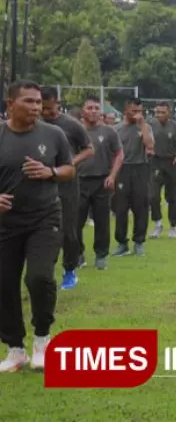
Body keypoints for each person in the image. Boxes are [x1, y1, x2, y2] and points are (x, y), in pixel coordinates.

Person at [0, 80, 75, 372]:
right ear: (10, 104)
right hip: (6, 223)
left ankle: (43, 341)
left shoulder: (54, 134)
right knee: (4, 284)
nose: (36, 107)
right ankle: (15, 349)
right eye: (28, 101)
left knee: (39, 278)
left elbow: (70, 169)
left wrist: (50, 171)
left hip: (45, 218)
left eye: (38, 102)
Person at [40, 87, 94, 290]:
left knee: (69, 230)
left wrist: (72, 161)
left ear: (58, 104)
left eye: (49, 109)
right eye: (42, 109)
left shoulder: (71, 125)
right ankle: (45, 271)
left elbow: (89, 149)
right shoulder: (35, 124)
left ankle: (70, 269)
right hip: (42, 185)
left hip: (68, 185)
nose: (45, 113)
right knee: (45, 229)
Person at [77, 97, 123, 271]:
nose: (93, 111)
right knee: (76, 221)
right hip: (79, 181)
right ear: (83, 111)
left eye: (96, 108)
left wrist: (112, 175)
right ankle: (78, 253)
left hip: (102, 181)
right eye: (89, 107)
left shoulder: (109, 132)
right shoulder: (76, 131)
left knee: (102, 221)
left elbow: (119, 154)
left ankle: (101, 255)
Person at [112, 98, 154, 257]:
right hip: (122, 169)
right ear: (125, 111)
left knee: (141, 206)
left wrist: (142, 124)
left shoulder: (146, 127)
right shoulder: (116, 129)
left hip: (140, 168)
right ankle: (122, 243)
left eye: (140, 111)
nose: (137, 114)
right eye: (134, 111)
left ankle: (139, 242)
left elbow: (150, 145)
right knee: (121, 208)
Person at [149, 102, 176, 238]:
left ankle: (173, 226)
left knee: (174, 197)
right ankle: (158, 223)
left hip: (173, 163)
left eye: (162, 112)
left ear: (169, 113)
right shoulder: (151, 124)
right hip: (156, 162)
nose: (159, 115)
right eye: (157, 112)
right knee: (152, 195)